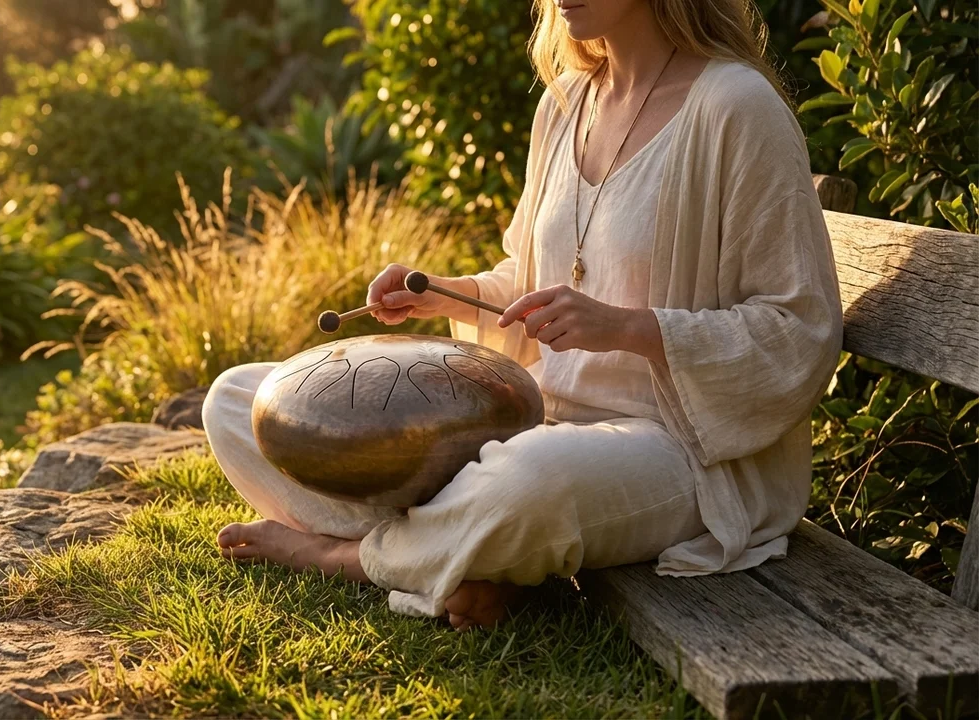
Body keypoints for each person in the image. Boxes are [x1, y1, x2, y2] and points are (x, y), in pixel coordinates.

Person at [201, 0, 844, 630]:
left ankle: (349, 556)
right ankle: (469, 556)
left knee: (525, 484)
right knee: (242, 402)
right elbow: (533, 278)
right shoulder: (563, 106)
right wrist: (447, 293)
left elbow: (799, 327)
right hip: (535, 419)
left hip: (673, 448)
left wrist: (627, 328)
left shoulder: (737, 107)